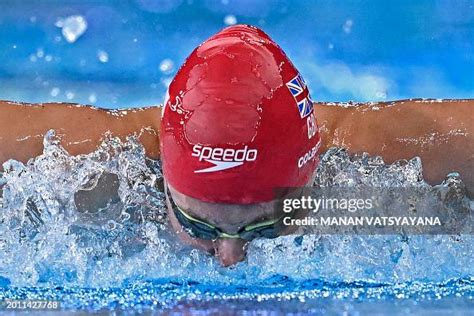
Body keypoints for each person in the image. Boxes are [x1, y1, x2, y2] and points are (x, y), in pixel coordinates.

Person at [0, 25, 472, 266]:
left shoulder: (395, 157)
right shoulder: (85, 165)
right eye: (197, 225)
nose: (231, 259)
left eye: (264, 227)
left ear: (310, 177)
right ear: (165, 177)